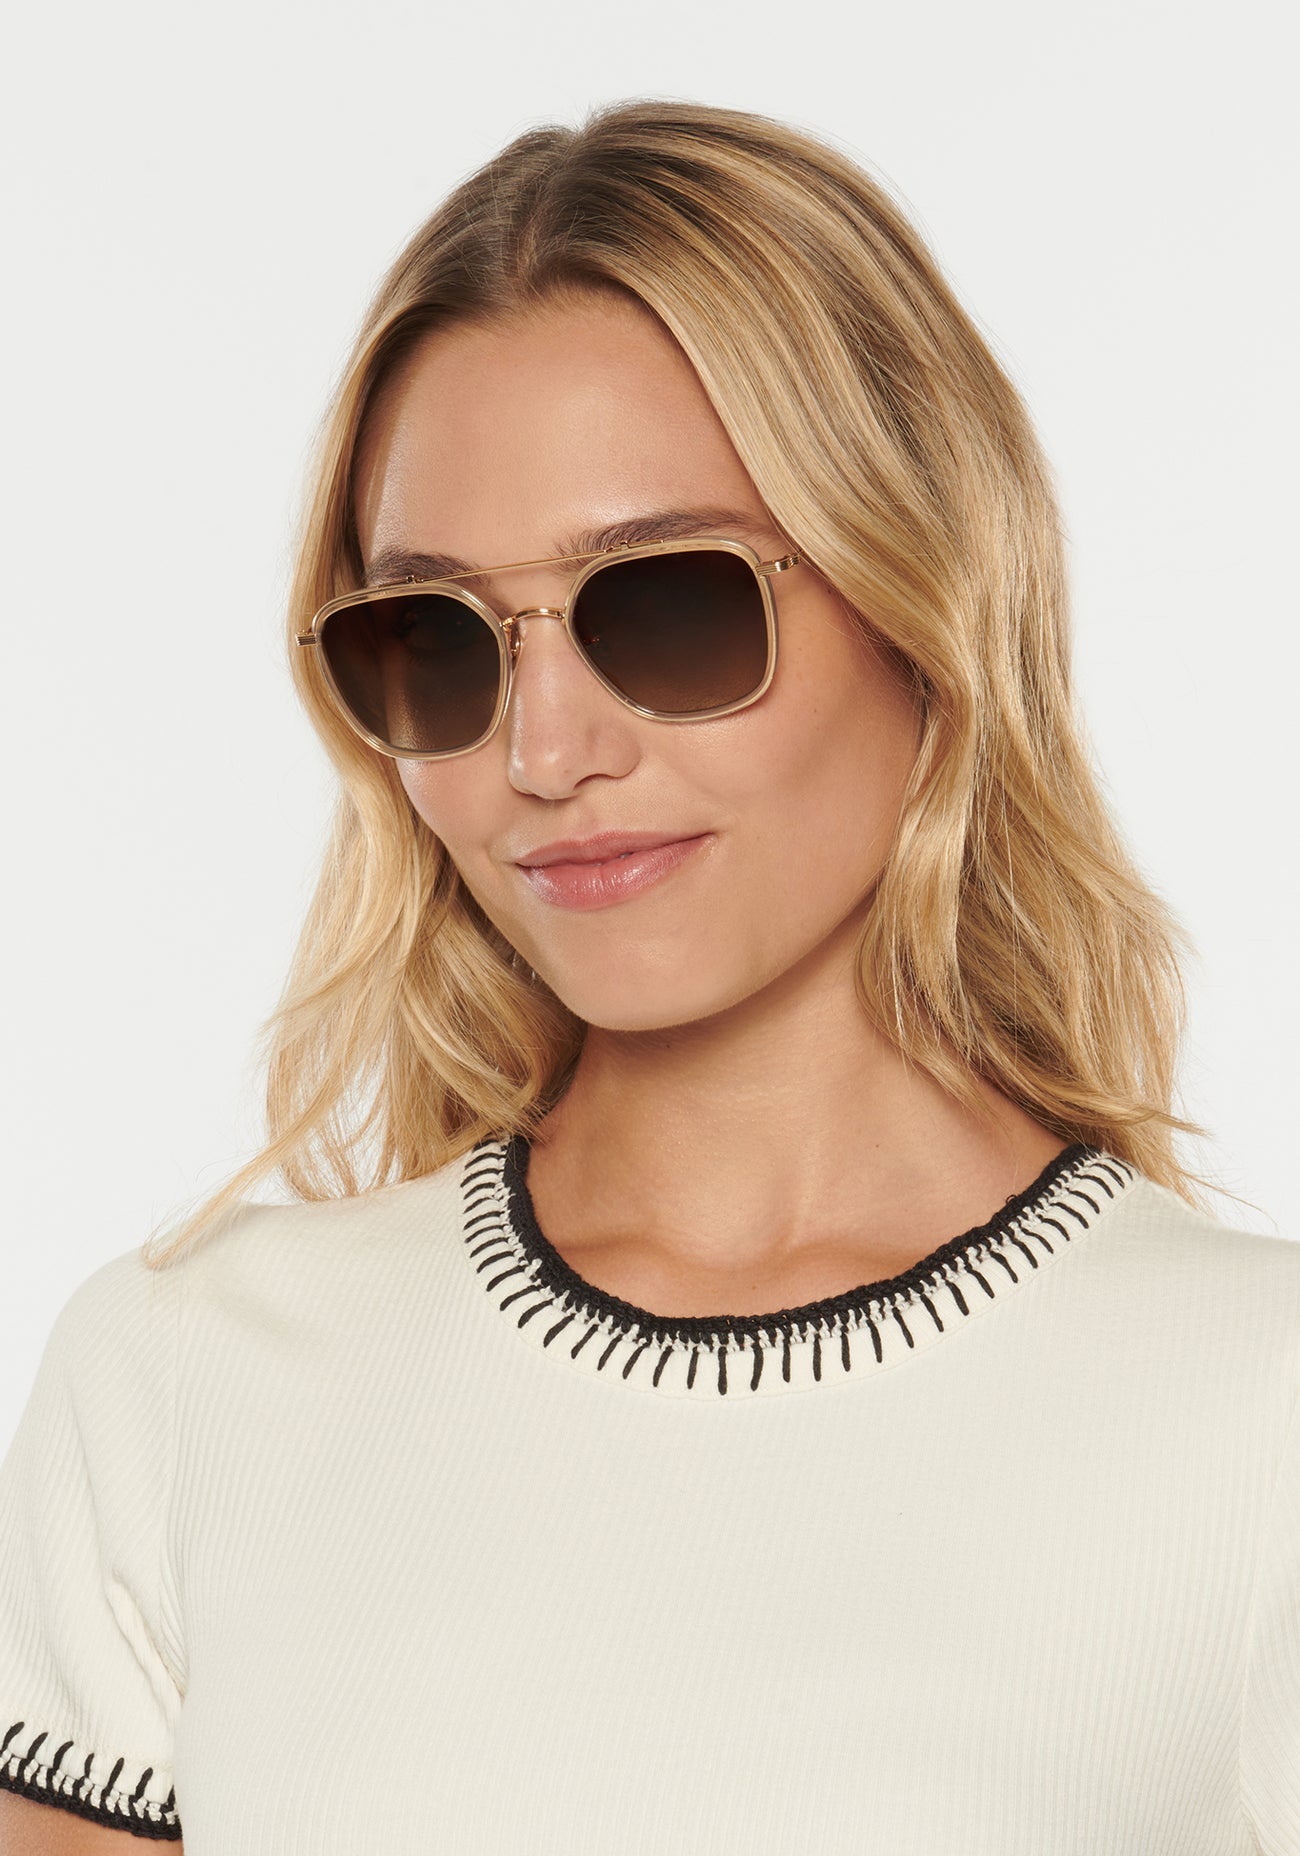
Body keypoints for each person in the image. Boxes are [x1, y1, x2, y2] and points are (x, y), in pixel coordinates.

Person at [1, 97, 1296, 1855]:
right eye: (435, 642)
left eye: (668, 605)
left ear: (923, 597)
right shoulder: (184, 1381)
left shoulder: (1258, 1416)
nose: (544, 752)